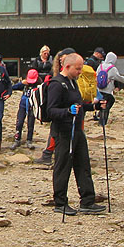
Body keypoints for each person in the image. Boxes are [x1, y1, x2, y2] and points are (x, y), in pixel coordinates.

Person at [45, 53, 106, 215]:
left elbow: (79, 106)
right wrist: (67, 111)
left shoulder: (73, 82)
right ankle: (60, 202)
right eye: (78, 69)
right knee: (63, 167)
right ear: (67, 67)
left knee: (83, 165)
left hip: (77, 130)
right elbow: (50, 111)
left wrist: (95, 107)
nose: (80, 71)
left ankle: (87, 201)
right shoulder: (57, 84)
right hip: (63, 132)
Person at [10, 69, 42, 150]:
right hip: (23, 105)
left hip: (32, 106)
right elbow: (12, 87)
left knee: (31, 123)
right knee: (19, 122)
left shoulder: (39, 85)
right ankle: (17, 139)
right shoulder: (24, 84)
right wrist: (21, 83)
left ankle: (29, 140)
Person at [95, 52, 124, 125]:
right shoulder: (112, 68)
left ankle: (99, 114)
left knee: (102, 103)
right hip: (107, 90)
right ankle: (102, 122)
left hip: (99, 89)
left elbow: (96, 76)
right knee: (107, 104)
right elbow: (118, 77)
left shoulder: (100, 66)